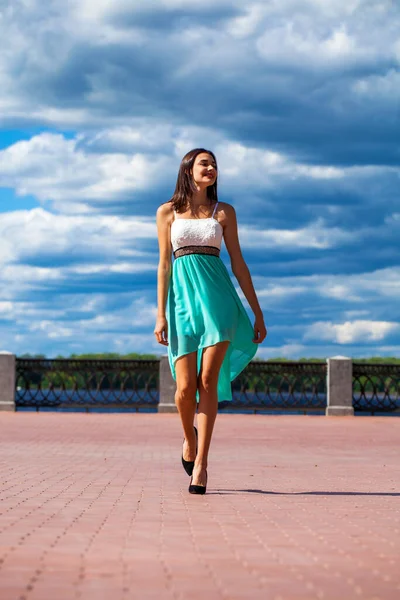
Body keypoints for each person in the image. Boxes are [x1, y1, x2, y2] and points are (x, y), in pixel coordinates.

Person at [154, 148, 267, 494]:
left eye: (215, 164)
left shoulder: (224, 212)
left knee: (207, 381)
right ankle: (189, 438)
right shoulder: (167, 212)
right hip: (182, 304)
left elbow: (239, 265)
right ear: (188, 169)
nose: (212, 168)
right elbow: (164, 265)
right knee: (184, 388)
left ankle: (201, 464)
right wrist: (160, 313)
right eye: (205, 163)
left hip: (219, 303)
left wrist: (257, 311)